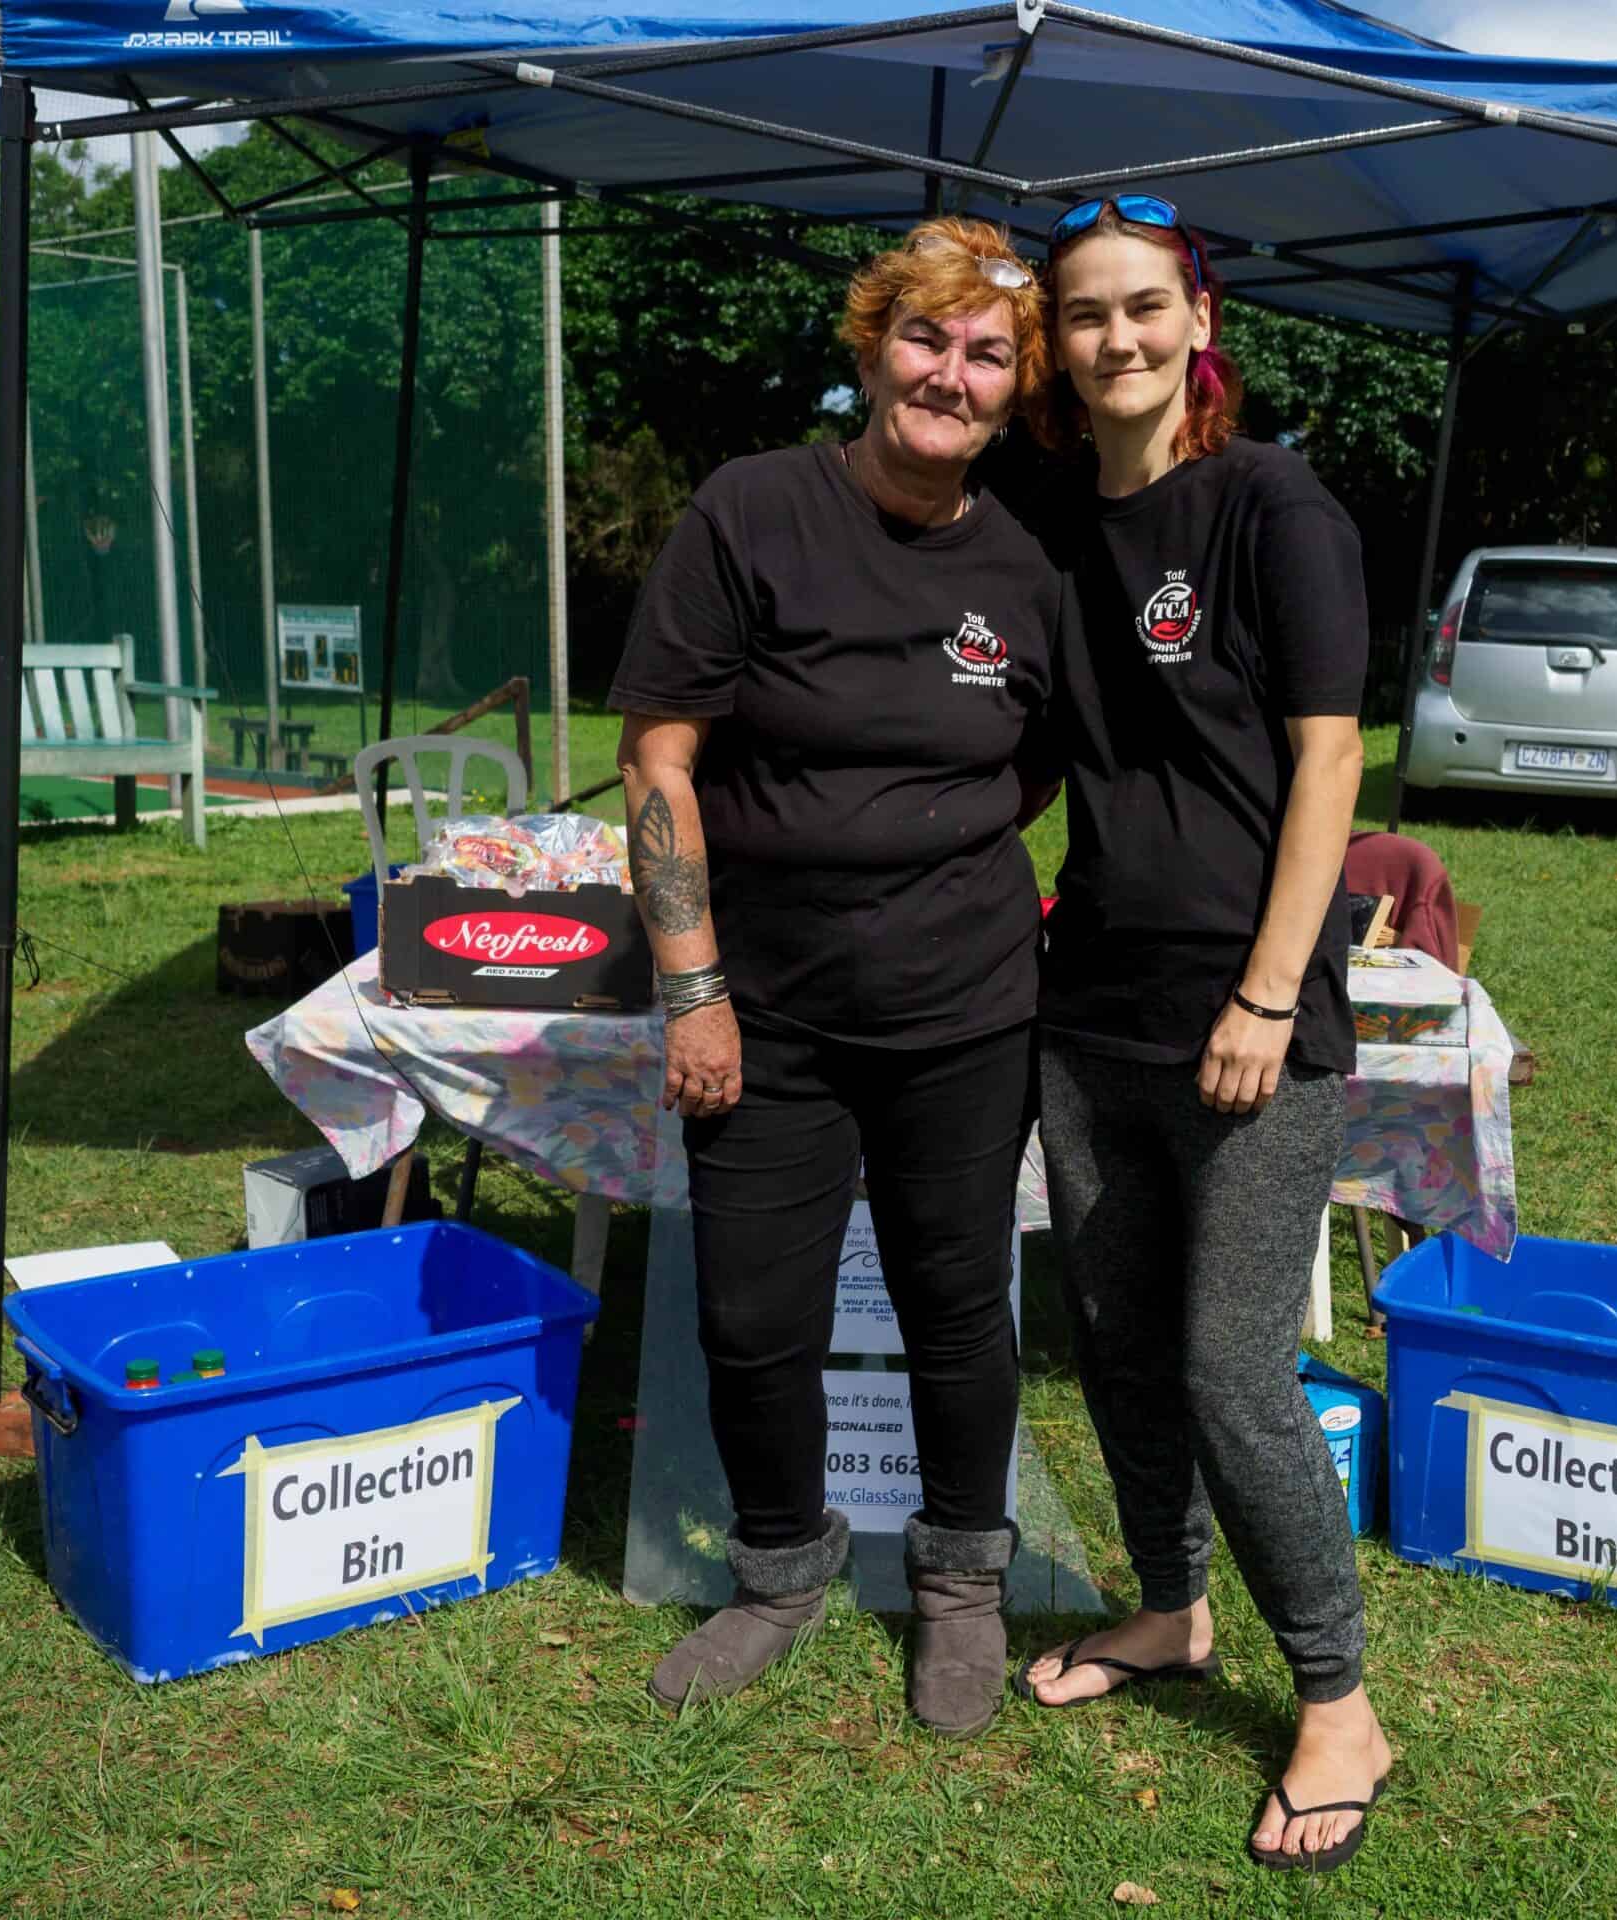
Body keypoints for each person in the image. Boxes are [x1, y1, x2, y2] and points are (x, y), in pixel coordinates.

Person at [608, 218, 1060, 1737]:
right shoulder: (752, 512)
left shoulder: (1029, 568)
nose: (950, 372)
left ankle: (960, 1588)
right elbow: (661, 757)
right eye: (924, 339)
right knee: (753, 1317)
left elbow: (1033, 772)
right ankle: (782, 1577)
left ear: (1016, 389)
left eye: (986, 353)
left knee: (957, 1309)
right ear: (870, 348)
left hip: (967, 1012)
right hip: (768, 1013)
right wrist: (694, 989)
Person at [1009, 193, 1387, 1874]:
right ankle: (1170, 1611)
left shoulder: (1270, 504)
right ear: (1057, 346)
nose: (1119, 340)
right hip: (1086, 1007)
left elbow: (1329, 763)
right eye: (1086, 314)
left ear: (1199, 320)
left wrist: (1263, 991)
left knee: (1234, 1363)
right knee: (1118, 1338)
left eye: (1145, 307)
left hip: (1248, 1022)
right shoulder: (1049, 524)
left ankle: (1340, 1702)